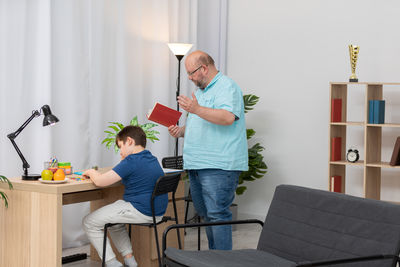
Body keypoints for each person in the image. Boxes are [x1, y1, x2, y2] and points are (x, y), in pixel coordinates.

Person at [168, 50, 248, 250]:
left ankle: (221, 262)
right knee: (206, 214)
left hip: (218, 165)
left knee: (217, 214)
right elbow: (203, 124)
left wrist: (195, 109)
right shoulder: (201, 93)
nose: (189, 78)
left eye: (191, 73)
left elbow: (228, 118)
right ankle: (213, 258)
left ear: (204, 68)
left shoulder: (226, 87)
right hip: (197, 163)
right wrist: (181, 131)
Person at [82, 125, 166, 267]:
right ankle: (129, 260)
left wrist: (90, 172)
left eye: (121, 147)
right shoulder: (151, 158)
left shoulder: (131, 161)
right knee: (115, 219)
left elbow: (101, 181)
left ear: (129, 141)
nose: (120, 151)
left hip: (141, 210)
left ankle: (111, 263)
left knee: (89, 222)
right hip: (156, 211)